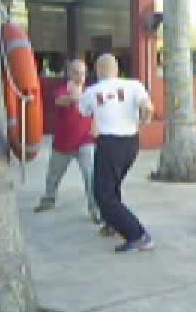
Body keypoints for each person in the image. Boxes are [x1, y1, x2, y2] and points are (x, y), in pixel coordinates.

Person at [79, 54, 155, 253]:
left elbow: (84, 111)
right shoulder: (134, 85)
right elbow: (147, 107)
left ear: (97, 71)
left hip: (109, 143)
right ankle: (113, 224)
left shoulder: (92, 91)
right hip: (131, 143)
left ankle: (138, 235)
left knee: (103, 194)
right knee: (112, 186)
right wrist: (145, 118)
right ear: (117, 69)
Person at [34, 60, 100, 224]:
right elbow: (60, 101)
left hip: (85, 141)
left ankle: (95, 209)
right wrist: (73, 96)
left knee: (90, 175)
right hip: (63, 144)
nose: (80, 76)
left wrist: (96, 128)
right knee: (53, 175)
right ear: (69, 74)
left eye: (83, 73)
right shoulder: (62, 90)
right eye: (77, 72)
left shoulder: (89, 92)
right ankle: (48, 200)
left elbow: (97, 112)